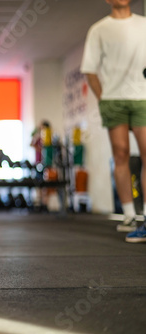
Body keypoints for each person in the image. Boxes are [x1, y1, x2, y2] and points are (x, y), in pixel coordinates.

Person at [81, 0, 146, 243]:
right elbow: (90, 70)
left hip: (142, 98)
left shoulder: (144, 25)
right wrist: (104, 99)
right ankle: (129, 215)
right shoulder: (99, 29)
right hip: (113, 100)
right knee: (121, 155)